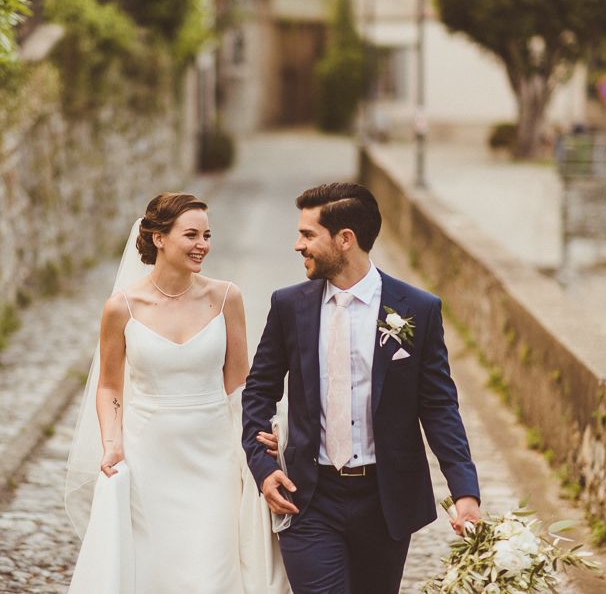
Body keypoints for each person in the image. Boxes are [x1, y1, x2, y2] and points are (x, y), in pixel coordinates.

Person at [242, 183, 481, 594]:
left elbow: (440, 407)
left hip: (384, 501)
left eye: (308, 234)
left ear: (345, 239)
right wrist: (264, 470)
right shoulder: (288, 306)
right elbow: (258, 391)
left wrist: (465, 493)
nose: (298, 245)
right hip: (308, 496)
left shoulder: (417, 310)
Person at [65, 192, 290, 594]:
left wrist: (257, 436)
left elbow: (239, 382)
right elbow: (110, 385)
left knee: (213, 568)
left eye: (207, 235)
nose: (203, 244)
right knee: (156, 570)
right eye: (191, 235)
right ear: (159, 238)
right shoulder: (122, 307)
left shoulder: (225, 298)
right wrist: (112, 444)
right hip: (148, 453)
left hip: (214, 455)